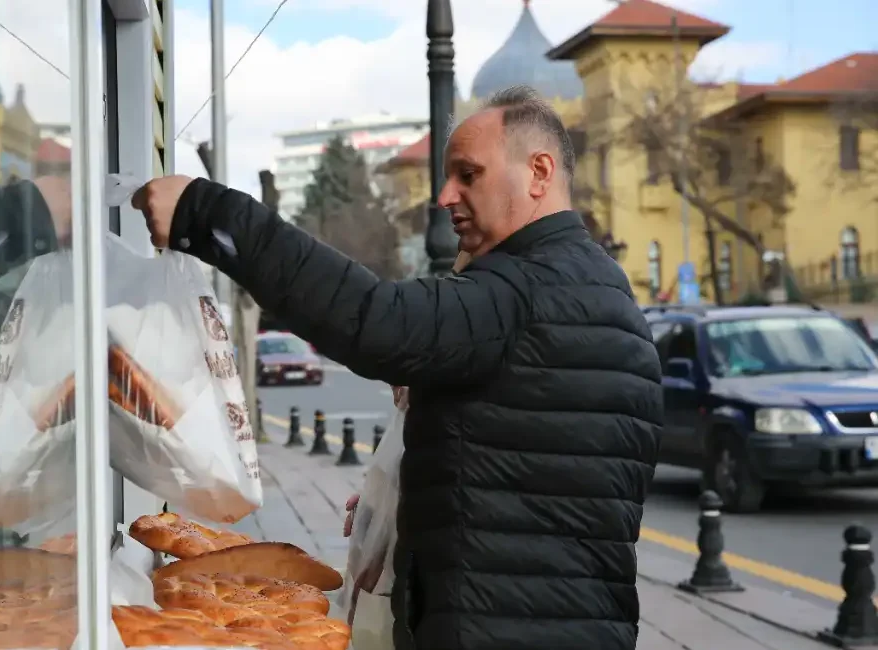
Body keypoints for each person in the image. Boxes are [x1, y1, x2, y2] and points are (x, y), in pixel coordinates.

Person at [133, 85, 663, 650]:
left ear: (539, 172)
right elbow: (546, 474)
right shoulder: (605, 294)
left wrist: (207, 213)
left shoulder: (520, 292)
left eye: (468, 174)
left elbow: (374, 319)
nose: (444, 195)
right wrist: (422, 490)